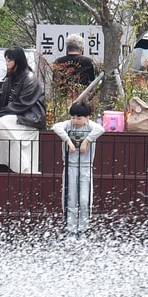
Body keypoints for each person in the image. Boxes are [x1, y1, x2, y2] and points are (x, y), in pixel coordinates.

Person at [52, 102, 104, 238]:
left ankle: (83, 228)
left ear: (87, 117)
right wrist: (68, 141)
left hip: (86, 166)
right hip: (70, 166)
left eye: (79, 118)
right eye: (73, 117)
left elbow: (101, 129)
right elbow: (56, 127)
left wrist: (86, 141)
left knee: (84, 199)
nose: (75, 121)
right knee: (70, 198)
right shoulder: (68, 125)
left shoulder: (91, 126)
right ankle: (70, 229)